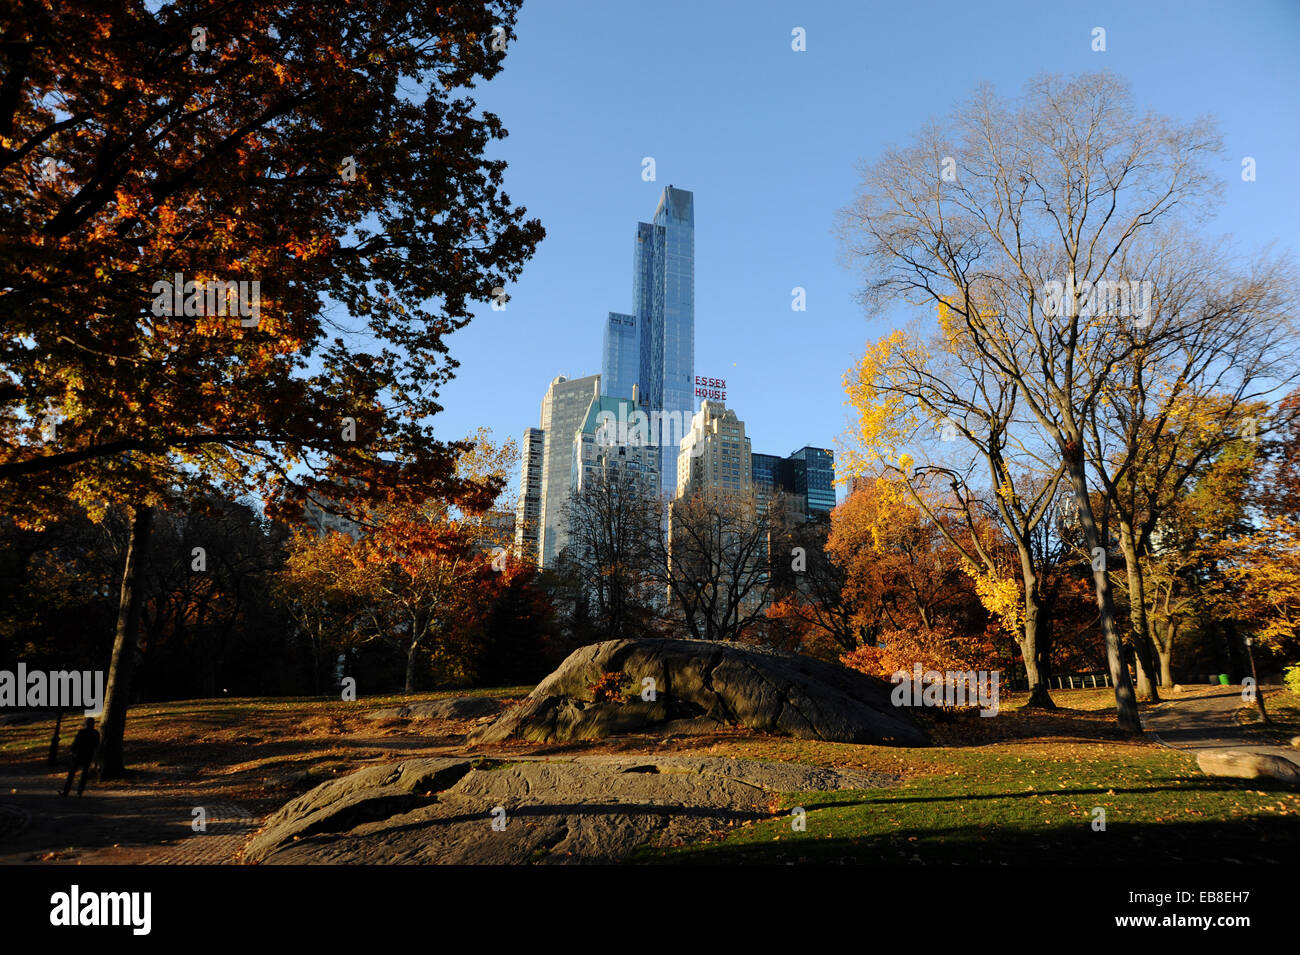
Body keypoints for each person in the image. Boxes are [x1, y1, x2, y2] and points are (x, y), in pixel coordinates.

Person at [61, 717, 99, 797]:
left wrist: (72, 751)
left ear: (86, 724)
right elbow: (96, 746)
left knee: (71, 774)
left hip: (78, 755)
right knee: (84, 775)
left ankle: (66, 791)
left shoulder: (82, 732)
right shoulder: (95, 733)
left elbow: (75, 743)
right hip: (88, 755)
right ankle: (79, 792)